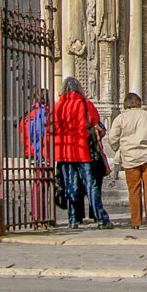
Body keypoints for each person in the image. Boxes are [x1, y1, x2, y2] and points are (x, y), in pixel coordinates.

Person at [53, 77, 112, 230]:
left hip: (64, 151)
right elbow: (96, 123)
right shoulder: (85, 104)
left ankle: (73, 219)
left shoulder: (58, 106)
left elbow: (52, 128)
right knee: (90, 185)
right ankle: (100, 218)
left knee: (71, 185)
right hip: (82, 150)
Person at [107, 92, 147, 229]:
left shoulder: (120, 118)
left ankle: (136, 222)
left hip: (129, 158)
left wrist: (120, 148)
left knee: (133, 189)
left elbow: (112, 138)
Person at [18, 88, 52, 224]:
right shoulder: (44, 115)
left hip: (33, 153)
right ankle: (40, 216)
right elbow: (41, 134)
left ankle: (39, 214)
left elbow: (25, 134)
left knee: (38, 184)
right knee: (41, 186)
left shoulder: (30, 116)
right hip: (42, 154)